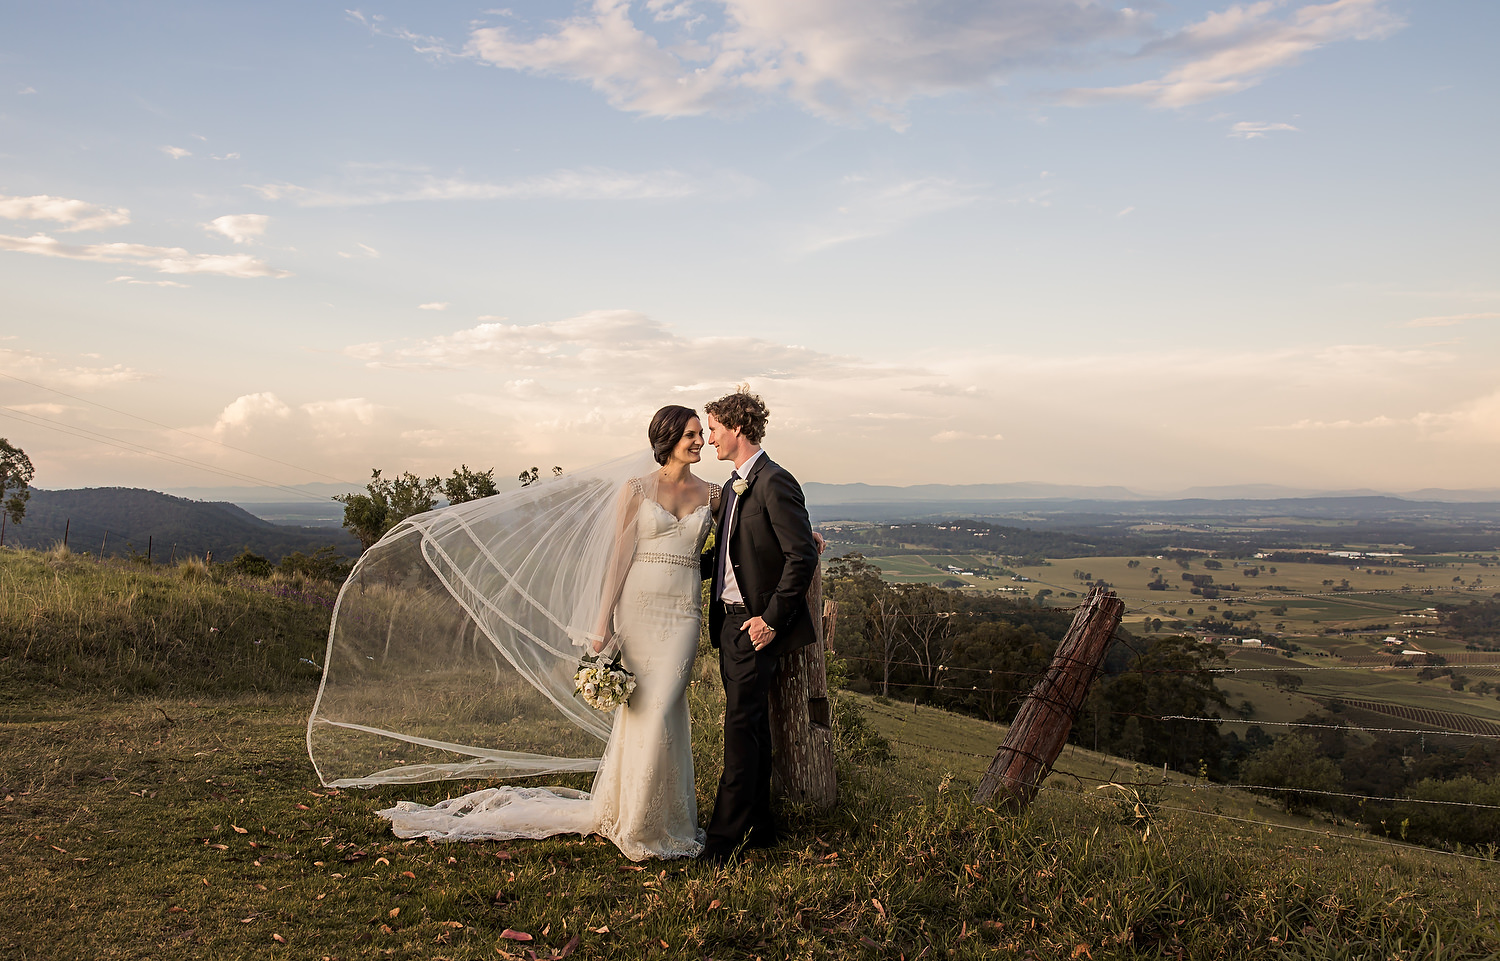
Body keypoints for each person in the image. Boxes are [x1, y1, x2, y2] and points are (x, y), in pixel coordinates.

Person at [350, 406, 719, 861]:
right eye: (690, 434)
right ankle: (638, 823)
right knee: (645, 709)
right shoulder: (637, 489)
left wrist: (809, 539)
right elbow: (618, 558)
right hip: (639, 610)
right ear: (667, 439)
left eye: (701, 433)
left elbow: (747, 533)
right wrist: (602, 624)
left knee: (665, 707)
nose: (700, 441)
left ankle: (662, 818)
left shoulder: (714, 494)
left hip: (682, 614)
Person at [698, 387, 820, 865]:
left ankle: (721, 844)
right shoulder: (731, 486)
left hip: (754, 627)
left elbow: (801, 555)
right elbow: (726, 556)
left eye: (713, 429)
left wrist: (770, 622)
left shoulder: (774, 481)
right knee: (751, 731)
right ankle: (761, 828)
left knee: (738, 729)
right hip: (727, 625)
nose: (709, 439)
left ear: (737, 427)